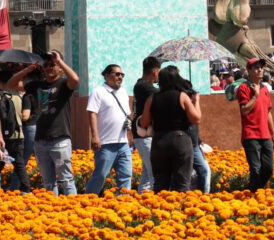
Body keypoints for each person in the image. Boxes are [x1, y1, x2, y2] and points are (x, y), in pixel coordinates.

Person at [7, 50, 79, 195]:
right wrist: (27, 70)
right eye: (45, 65)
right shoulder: (36, 85)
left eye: (52, 64)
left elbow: (75, 80)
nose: (48, 68)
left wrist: (60, 62)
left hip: (60, 140)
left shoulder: (64, 84)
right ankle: (52, 211)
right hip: (40, 141)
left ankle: (74, 210)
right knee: (48, 182)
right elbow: (11, 84)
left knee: (66, 180)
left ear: (59, 67)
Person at [138, 66, 201, 192]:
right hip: (180, 140)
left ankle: (160, 210)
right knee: (182, 183)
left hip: (159, 141)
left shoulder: (152, 98)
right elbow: (196, 119)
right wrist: (196, 101)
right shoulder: (182, 96)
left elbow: (144, 123)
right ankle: (180, 210)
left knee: (160, 184)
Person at [84, 64, 133, 194]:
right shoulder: (98, 91)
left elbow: (127, 115)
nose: (120, 77)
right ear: (106, 75)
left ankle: (123, 203)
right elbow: (92, 113)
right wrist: (94, 136)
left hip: (123, 143)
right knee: (100, 176)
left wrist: (129, 137)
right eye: (117, 74)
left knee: (126, 175)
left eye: (122, 75)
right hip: (105, 144)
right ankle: (87, 201)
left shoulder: (123, 92)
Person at [236, 58, 274, 191]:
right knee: (255, 170)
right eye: (256, 67)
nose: (260, 70)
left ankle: (252, 190)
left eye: (261, 67)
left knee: (268, 169)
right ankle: (254, 196)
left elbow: (268, 113)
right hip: (251, 135)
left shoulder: (265, 88)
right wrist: (255, 96)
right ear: (249, 71)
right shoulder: (243, 88)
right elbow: (244, 111)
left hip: (265, 135)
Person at [0, 74, 30, 192]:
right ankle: (26, 189)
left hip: (3, 135)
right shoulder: (18, 97)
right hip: (18, 133)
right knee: (19, 164)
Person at [132, 56, 161, 193]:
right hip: (145, 135)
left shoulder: (141, 84)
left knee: (147, 176)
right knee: (154, 174)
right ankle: (151, 204)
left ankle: (140, 200)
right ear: (155, 72)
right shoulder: (144, 86)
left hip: (144, 135)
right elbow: (161, 95)